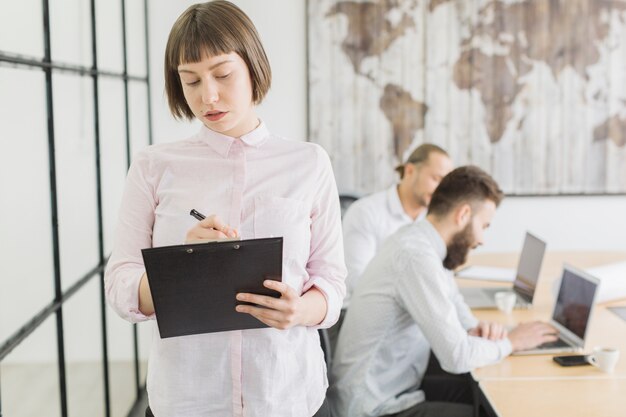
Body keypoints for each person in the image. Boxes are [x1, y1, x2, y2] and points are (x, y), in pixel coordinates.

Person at [104, 2, 346, 416]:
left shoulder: (308, 163)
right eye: (191, 80)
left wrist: (301, 309)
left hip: (284, 395)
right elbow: (120, 288)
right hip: (187, 398)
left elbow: (332, 282)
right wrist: (182, 265)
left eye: (222, 74)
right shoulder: (153, 166)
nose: (208, 96)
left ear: (252, 65)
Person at [328, 166, 558, 417]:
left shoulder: (422, 242)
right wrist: (512, 342)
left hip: (396, 389)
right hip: (375, 408)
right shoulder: (416, 256)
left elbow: (452, 300)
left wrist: (474, 328)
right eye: (484, 225)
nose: (482, 239)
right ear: (463, 215)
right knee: (492, 409)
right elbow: (456, 357)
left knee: (492, 398)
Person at [341, 144, 453, 309]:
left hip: (414, 313)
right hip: (357, 313)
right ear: (409, 171)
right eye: (436, 179)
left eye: (445, 184)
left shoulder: (433, 220)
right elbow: (357, 282)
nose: (440, 190)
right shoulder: (365, 212)